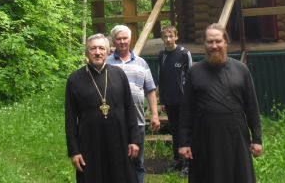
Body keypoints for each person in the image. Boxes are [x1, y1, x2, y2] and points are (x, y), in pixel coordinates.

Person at [179, 23, 263, 183]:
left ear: (226, 42)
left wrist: (257, 139)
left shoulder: (241, 70)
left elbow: (252, 106)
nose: (214, 46)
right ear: (204, 44)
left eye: (218, 41)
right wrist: (183, 142)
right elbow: (186, 110)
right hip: (205, 138)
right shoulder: (194, 72)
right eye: (210, 42)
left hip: (236, 137)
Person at [65, 34, 140, 183]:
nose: (97, 52)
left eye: (101, 48)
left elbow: (130, 109)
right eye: (93, 48)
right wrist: (74, 151)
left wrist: (135, 140)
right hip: (90, 145)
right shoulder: (74, 80)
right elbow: (70, 119)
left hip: (119, 141)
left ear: (108, 51)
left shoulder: (119, 74)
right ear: (87, 52)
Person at [107, 25, 160, 183]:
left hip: (137, 121)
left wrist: (155, 115)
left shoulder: (141, 63)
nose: (122, 41)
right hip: (113, 121)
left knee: (138, 162)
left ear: (130, 39)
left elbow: (150, 90)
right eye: (119, 39)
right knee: (115, 160)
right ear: (114, 41)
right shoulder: (107, 63)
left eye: (125, 38)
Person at [157, 25, 193, 173]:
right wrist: (162, 99)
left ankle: (188, 163)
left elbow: (190, 77)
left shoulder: (184, 53)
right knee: (175, 130)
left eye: (171, 36)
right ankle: (178, 160)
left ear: (176, 37)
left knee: (185, 130)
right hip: (169, 100)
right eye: (165, 37)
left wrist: (190, 99)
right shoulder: (161, 55)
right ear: (162, 39)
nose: (168, 39)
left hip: (183, 100)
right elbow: (161, 77)